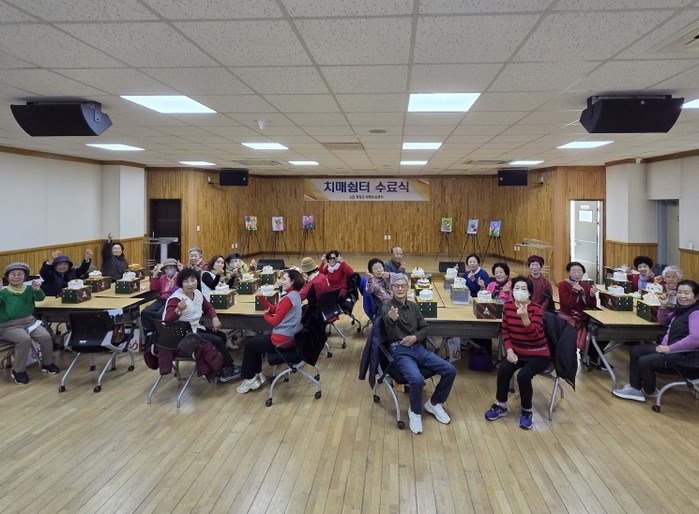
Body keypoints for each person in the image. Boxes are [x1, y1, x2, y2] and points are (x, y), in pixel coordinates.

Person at [382, 273, 456, 434]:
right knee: (416, 379)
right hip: (400, 350)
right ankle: (415, 412)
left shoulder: (414, 306)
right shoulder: (387, 307)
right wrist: (392, 319)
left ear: (407, 288)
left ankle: (434, 403)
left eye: (403, 285)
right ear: (391, 288)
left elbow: (424, 328)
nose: (400, 288)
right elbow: (388, 329)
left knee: (450, 370)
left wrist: (415, 337)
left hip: (417, 348)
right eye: (396, 286)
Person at [612, 279, 699, 401]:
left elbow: (695, 339)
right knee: (636, 350)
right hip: (672, 350)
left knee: (645, 361)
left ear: (696, 296)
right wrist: (663, 306)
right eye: (679, 292)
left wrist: (669, 348)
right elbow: (664, 321)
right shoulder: (681, 309)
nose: (682, 296)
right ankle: (635, 388)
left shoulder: (696, 313)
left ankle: (649, 391)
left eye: (687, 293)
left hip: (685, 358)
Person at [484, 276, 550, 430]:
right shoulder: (507, 307)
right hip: (517, 351)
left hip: (538, 353)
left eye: (524, 289)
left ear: (530, 293)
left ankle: (527, 411)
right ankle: (501, 404)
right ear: (512, 291)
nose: (519, 291)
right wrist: (509, 350)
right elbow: (506, 331)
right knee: (504, 369)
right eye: (516, 288)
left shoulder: (536, 309)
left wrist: (525, 318)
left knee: (523, 376)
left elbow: (536, 335)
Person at [163, 268, 239, 382]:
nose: (190, 284)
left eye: (193, 280)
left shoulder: (197, 293)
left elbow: (208, 307)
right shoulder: (176, 299)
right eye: (186, 281)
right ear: (181, 284)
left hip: (193, 329)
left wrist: (214, 318)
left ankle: (217, 367)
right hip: (181, 336)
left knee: (221, 335)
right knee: (217, 340)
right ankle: (227, 369)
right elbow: (167, 321)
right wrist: (178, 311)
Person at [236, 270, 304, 394]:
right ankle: (257, 375)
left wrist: (266, 316)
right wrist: (261, 298)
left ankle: (249, 378)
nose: (281, 281)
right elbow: (275, 309)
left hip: (283, 340)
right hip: (290, 337)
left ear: (292, 281)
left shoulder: (288, 299)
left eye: (284, 279)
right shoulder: (295, 295)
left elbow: (275, 321)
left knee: (250, 344)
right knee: (254, 343)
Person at [0, 263, 59, 384]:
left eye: (19, 274)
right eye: (12, 274)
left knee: (45, 336)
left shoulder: (28, 289)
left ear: (25, 276)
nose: (16, 277)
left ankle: (47, 363)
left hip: (29, 322)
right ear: (7, 277)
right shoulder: (4, 292)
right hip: (8, 326)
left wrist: (37, 290)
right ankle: (18, 370)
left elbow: (40, 298)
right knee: (24, 339)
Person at [557, 261, 600, 356]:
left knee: (600, 331)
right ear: (568, 273)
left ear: (583, 273)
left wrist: (592, 295)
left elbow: (591, 306)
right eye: (573, 271)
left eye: (579, 272)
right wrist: (574, 293)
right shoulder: (563, 285)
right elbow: (567, 305)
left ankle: (590, 355)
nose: (577, 274)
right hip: (568, 315)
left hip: (583, 316)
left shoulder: (585, 285)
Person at [141, 258, 182, 335]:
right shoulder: (163, 277)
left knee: (159, 314)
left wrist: (181, 270)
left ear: (175, 268)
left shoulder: (180, 277)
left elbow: (184, 283)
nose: (169, 270)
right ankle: (150, 332)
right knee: (145, 312)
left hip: (172, 300)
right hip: (162, 299)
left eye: (171, 267)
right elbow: (154, 288)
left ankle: (160, 334)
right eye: (167, 268)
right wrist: (155, 275)